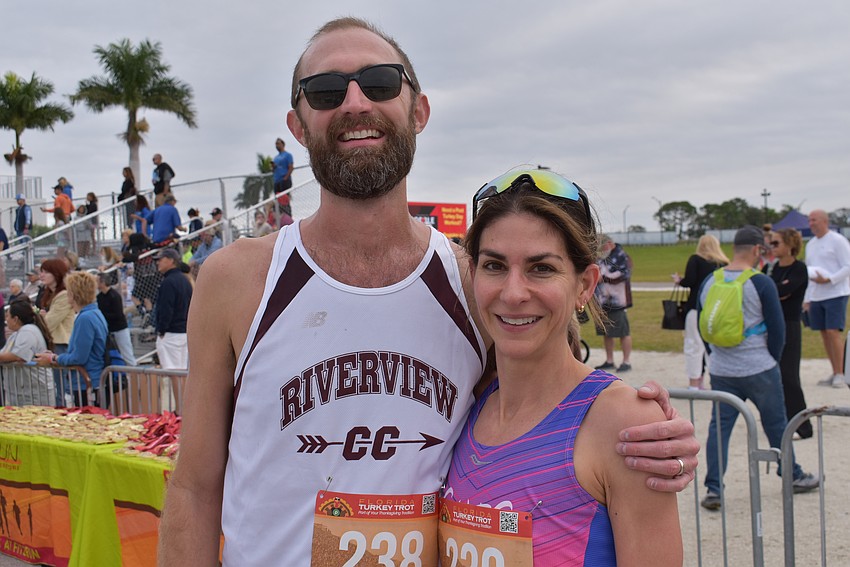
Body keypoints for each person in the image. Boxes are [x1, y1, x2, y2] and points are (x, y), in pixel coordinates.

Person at [158, 18, 698, 565]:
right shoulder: (236, 279)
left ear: (419, 111)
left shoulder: (471, 280)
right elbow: (194, 487)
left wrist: (646, 432)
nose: (354, 103)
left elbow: (552, 393)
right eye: (325, 91)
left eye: (380, 83)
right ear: (298, 125)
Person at [444, 170, 682, 564]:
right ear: (473, 273)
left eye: (542, 268)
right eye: (494, 266)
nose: (514, 292)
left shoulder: (623, 420)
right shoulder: (469, 402)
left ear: (585, 285)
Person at [698, 225, 819, 510]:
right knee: (776, 424)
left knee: (719, 429)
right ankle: (792, 475)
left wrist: (715, 356)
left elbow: (705, 325)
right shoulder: (760, 283)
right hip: (758, 367)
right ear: (756, 250)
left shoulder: (710, 281)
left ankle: (713, 488)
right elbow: (778, 330)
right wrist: (771, 360)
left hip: (722, 369)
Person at [765, 228, 812, 439]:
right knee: (774, 377)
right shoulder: (770, 268)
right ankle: (783, 422)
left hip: (789, 326)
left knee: (789, 377)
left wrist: (774, 290)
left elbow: (782, 292)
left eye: (776, 243)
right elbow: (766, 291)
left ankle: (804, 426)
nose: (772, 247)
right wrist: (775, 290)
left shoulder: (798, 268)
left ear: (789, 245)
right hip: (770, 326)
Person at [35, 271, 108, 407]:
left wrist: (54, 359)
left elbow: (79, 357)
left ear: (74, 295)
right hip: (91, 381)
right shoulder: (94, 314)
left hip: (86, 383)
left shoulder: (85, 318)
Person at [673, 234, 729, 389]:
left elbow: (690, 281)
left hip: (696, 308)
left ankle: (694, 382)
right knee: (713, 347)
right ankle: (716, 381)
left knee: (693, 345)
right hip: (717, 309)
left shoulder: (696, 259)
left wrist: (679, 281)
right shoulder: (724, 263)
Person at [804, 209, 850, 388]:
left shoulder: (837, 240)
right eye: (809, 220)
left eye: (814, 220)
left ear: (824, 221)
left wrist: (830, 279)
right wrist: (807, 298)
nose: (811, 223)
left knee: (833, 332)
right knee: (823, 333)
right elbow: (809, 271)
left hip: (836, 292)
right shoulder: (811, 244)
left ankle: (841, 373)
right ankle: (834, 370)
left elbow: (848, 265)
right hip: (817, 294)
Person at [0, 298, 54, 406]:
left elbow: (17, 356)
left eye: (7, 316)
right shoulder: (16, 334)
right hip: (20, 392)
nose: (6, 320)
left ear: (15, 319)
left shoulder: (28, 331)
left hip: (34, 393)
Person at [594, 234, 633, 372]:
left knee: (623, 331)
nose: (600, 252)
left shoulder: (622, 256)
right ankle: (609, 360)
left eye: (602, 248)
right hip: (601, 301)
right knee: (606, 332)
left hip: (618, 301)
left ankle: (626, 361)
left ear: (610, 244)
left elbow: (624, 274)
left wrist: (603, 278)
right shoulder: (601, 256)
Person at [39, 259, 75, 406]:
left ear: (56, 274)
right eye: (41, 271)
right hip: (55, 342)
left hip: (62, 343)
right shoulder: (50, 294)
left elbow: (49, 322)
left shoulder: (64, 295)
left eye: (46, 272)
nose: (42, 275)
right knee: (57, 385)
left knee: (61, 386)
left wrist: (42, 317)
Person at [153, 248, 192, 370]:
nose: (157, 263)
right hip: (183, 331)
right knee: (182, 371)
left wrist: (161, 330)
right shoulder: (185, 280)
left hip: (171, 333)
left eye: (160, 259)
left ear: (170, 260)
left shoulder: (168, 282)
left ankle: (179, 391)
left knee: (173, 372)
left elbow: (166, 309)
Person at [96, 273, 136, 366]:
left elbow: (118, 314)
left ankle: (134, 375)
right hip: (108, 330)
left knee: (127, 354)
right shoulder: (100, 297)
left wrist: (103, 315)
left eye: (97, 281)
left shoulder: (114, 296)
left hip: (119, 329)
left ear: (103, 282)